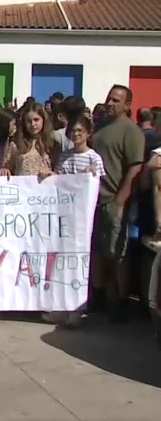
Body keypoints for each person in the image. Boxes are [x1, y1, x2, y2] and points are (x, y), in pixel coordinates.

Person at [91, 85, 144, 321]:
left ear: (127, 105)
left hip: (115, 200)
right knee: (98, 252)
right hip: (95, 200)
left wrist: (121, 198)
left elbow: (135, 167)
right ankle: (99, 297)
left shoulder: (131, 131)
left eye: (116, 100)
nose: (110, 103)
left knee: (117, 253)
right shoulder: (101, 127)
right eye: (108, 99)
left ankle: (121, 301)